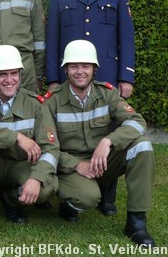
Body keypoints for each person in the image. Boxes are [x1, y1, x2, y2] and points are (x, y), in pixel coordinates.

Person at [45, 0, 136, 215]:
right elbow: (53, 40)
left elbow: (126, 36)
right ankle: (71, 195)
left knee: (107, 131)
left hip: (106, 72)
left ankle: (107, 197)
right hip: (69, 74)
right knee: (69, 133)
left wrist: (126, 77)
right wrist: (53, 79)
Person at [45, 40, 155, 247]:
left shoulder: (108, 93)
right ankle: (68, 202)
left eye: (85, 66)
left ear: (94, 69)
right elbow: (46, 146)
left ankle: (136, 223)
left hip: (103, 159)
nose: (80, 71)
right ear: (66, 69)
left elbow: (138, 122)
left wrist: (108, 141)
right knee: (87, 198)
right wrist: (76, 164)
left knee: (142, 146)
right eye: (74, 66)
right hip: (71, 166)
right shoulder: (51, 102)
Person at [0, 45, 59, 246]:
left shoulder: (36, 103)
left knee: (42, 190)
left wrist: (36, 178)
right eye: (2, 74)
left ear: (20, 74)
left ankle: (10, 200)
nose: (9, 80)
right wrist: (16, 137)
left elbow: (50, 148)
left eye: (13, 73)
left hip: (21, 166)